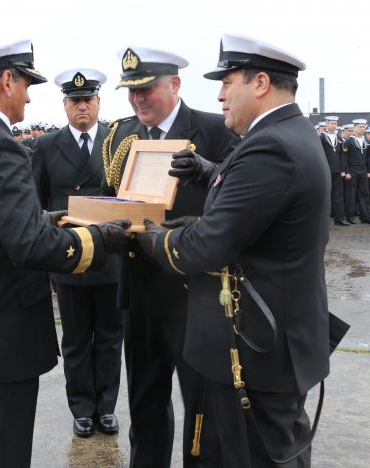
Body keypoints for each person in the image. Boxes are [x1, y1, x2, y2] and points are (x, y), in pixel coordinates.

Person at [0, 40, 130, 468]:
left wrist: (48, 218)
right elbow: (27, 245)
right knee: (3, 455)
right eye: (26, 84)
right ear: (6, 81)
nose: (30, 96)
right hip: (2, 338)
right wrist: (99, 240)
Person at [136, 33, 346, 467]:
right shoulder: (287, 134)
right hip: (271, 339)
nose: (219, 95)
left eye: (227, 82)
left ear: (261, 83)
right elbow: (254, 213)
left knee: (249, 456)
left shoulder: (271, 146)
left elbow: (206, 248)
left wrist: (146, 234)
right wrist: (208, 173)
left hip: (256, 351)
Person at [102, 45, 239, 467]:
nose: (138, 99)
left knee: (201, 405)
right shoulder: (124, 137)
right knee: (144, 399)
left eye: (147, 89)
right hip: (140, 289)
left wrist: (209, 167)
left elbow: (240, 191)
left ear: (175, 84)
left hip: (192, 292)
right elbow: (112, 197)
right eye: (132, 92)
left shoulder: (216, 129)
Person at [31, 68, 123, 438]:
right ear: (65, 105)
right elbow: (37, 205)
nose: (82, 106)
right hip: (68, 257)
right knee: (75, 338)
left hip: (110, 257)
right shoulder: (46, 146)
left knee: (109, 337)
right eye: (74, 101)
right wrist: (47, 261)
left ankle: (107, 407)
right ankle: (82, 407)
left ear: (99, 102)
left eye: (88, 100)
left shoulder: (117, 142)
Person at [341, 119, 370, 224]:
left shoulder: (365, 141)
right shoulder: (349, 141)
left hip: (363, 171)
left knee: (364, 194)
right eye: (360, 126)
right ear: (354, 128)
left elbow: (369, 157)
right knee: (351, 195)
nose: (362, 129)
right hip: (352, 171)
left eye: (364, 127)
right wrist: (346, 172)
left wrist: (369, 171)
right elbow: (344, 157)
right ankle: (350, 218)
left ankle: (365, 217)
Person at [320, 115, 348, 225]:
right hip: (326, 171)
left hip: (337, 170)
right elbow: (320, 155)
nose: (334, 126)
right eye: (332, 123)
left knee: (338, 195)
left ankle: (339, 219)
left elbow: (342, 155)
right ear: (326, 124)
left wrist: (343, 169)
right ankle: (323, 220)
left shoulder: (338, 138)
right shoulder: (322, 137)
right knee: (325, 195)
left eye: (335, 124)